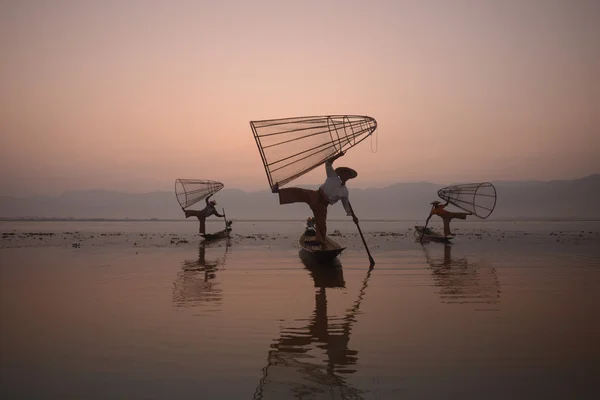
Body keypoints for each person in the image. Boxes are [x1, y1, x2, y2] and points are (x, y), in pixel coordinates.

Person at [272, 152, 358, 247]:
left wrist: (353, 216)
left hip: (323, 205)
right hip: (316, 195)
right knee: (300, 192)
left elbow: (346, 204)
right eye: (344, 173)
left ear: (349, 177)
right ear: (341, 174)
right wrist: (338, 155)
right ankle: (278, 191)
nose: (345, 176)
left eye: (347, 175)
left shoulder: (345, 192)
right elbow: (328, 163)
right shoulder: (332, 176)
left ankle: (320, 242)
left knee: (321, 224)